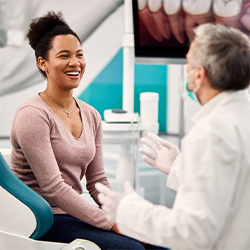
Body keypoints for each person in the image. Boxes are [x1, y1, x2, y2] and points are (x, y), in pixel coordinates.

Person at [10, 11, 166, 250]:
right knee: (131, 248)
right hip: (42, 219)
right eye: (64, 56)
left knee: (160, 243)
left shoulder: (91, 114)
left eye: (79, 55)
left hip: (74, 214)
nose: (75, 63)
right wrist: (111, 223)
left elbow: (97, 181)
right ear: (43, 63)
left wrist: (122, 215)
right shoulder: (33, 115)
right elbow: (54, 188)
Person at [96, 23, 250, 249]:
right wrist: (180, 168)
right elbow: (232, 191)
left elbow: (191, 231)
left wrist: (127, 209)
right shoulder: (241, 118)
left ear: (199, 75)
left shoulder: (211, 132)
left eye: (188, 64)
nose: (185, 73)